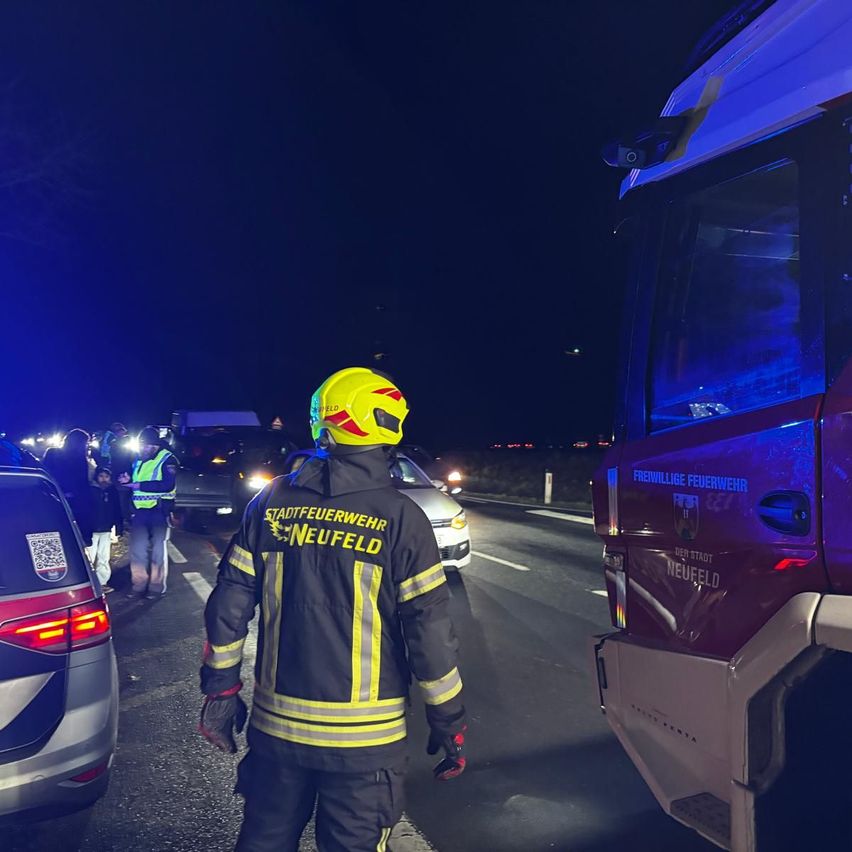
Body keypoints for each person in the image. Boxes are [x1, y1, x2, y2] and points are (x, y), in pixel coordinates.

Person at [199, 367, 467, 852]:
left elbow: (229, 603)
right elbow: (429, 632)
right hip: (364, 745)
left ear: (323, 423)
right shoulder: (401, 518)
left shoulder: (271, 501)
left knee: (262, 841)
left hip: (277, 731)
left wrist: (220, 690)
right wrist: (448, 720)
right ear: (387, 427)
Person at [119, 426, 177, 599]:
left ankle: (156, 588)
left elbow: (168, 485)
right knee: (137, 550)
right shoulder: (138, 460)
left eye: (145, 445)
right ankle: (138, 586)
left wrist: (138, 485)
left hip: (159, 511)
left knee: (158, 551)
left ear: (155, 445)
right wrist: (128, 480)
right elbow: (137, 482)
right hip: (140, 512)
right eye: (141, 445)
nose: (142, 449)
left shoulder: (168, 459)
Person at [43, 428, 94, 546]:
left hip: (55, 497)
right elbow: (81, 482)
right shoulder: (79, 459)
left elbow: (46, 474)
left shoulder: (53, 453)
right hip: (72, 500)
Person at [86, 466, 123, 593]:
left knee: (104, 556)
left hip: (106, 529)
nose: (104, 479)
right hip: (91, 529)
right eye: (101, 476)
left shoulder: (112, 490)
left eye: (106, 477)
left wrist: (119, 527)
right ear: (97, 476)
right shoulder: (90, 490)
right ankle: (88, 583)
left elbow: (117, 509)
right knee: (89, 556)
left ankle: (102, 583)